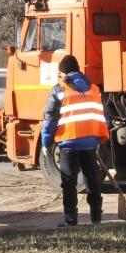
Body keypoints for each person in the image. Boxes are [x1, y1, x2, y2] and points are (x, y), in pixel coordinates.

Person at [41, 54, 110, 226]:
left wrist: (46, 142)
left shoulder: (59, 90)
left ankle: (71, 220)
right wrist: (98, 138)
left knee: (69, 182)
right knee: (92, 180)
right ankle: (96, 217)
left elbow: (50, 118)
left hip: (69, 143)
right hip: (90, 144)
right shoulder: (94, 89)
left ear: (64, 73)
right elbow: (104, 116)